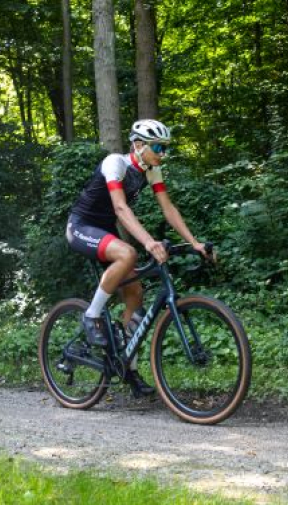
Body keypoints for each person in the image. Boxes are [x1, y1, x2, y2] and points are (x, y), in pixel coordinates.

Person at [65, 119, 210, 397]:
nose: (163, 154)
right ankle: (92, 316)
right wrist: (148, 241)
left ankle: (126, 367)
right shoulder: (115, 163)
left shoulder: (152, 171)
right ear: (139, 145)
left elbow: (168, 208)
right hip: (80, 226)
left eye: (166, 148)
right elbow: (120, 207)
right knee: (128, 253)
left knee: (135, 294)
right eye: (158, 147)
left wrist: (195, 242)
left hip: (104, 231)